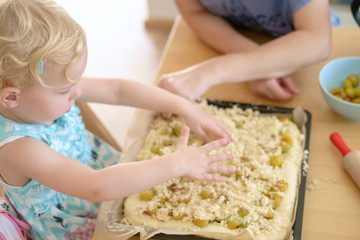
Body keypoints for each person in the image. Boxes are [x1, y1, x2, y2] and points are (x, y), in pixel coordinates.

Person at [0, 0, 235, 239]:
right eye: (65, 90)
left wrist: (184, 106)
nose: (78, 92)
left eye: (76, 82)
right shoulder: (18, 148)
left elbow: (117, 90)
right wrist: (177, 164)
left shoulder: (45, 90)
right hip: (83, 225)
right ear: (11, 97)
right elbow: (96, 186)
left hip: (113, 183)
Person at [158, 0, 335, 101]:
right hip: (244, 37)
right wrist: (253, 63)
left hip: (307, 57)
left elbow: (317, 41)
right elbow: (195, 13)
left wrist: (214, 71)